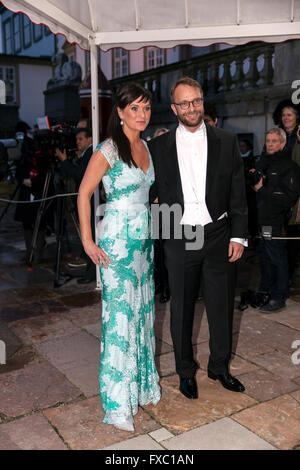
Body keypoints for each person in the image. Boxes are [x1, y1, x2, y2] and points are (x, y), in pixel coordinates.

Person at [149, 76, 248, 399]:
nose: (191, 108)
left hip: (218, 233)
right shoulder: (158, 147)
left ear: (202, 102)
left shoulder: (226, 141)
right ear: (174, 107)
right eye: (184, 103)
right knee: (181, 308)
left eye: (196, 101)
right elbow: (149, 190)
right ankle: (185, 372)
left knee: (221, 306)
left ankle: (219, 367)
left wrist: (239, 236)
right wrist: (159, 231)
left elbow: (238, 193)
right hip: (180, 235)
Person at [77, 82, 161, 431]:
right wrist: (87, 240)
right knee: (120, 318)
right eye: (135, 109)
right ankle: (117, 401)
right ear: (122, 112)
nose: (142, 115)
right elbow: (83, 194)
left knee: (142, 314)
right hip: (116, 244)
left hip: (143, 243)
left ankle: (139, 388)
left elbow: (145, 192)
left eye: (146, 108)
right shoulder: (108, 149)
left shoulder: (146, 147)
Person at [251, 127, 300, 312]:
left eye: (274, 141)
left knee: (277, 259)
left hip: (275, 221)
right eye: (268, 141)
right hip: (260, 220)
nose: (270, 144)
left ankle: (279, 297)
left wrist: (261, 189)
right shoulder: (263, 161)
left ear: (283, 142)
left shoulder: (289, 166)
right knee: (264, 259)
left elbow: (288, 197)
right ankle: (266, 292)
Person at [55, 128, 96, 283]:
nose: (77, 142)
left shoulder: (92, 153)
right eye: (76, 139)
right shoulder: (85, 154)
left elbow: (81, 175)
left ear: (90, 139)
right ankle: (89, 270)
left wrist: (65, 161)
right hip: (84, 202)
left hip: (91, 202)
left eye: (80, 139)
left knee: (91, 236)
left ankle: (91, 273)